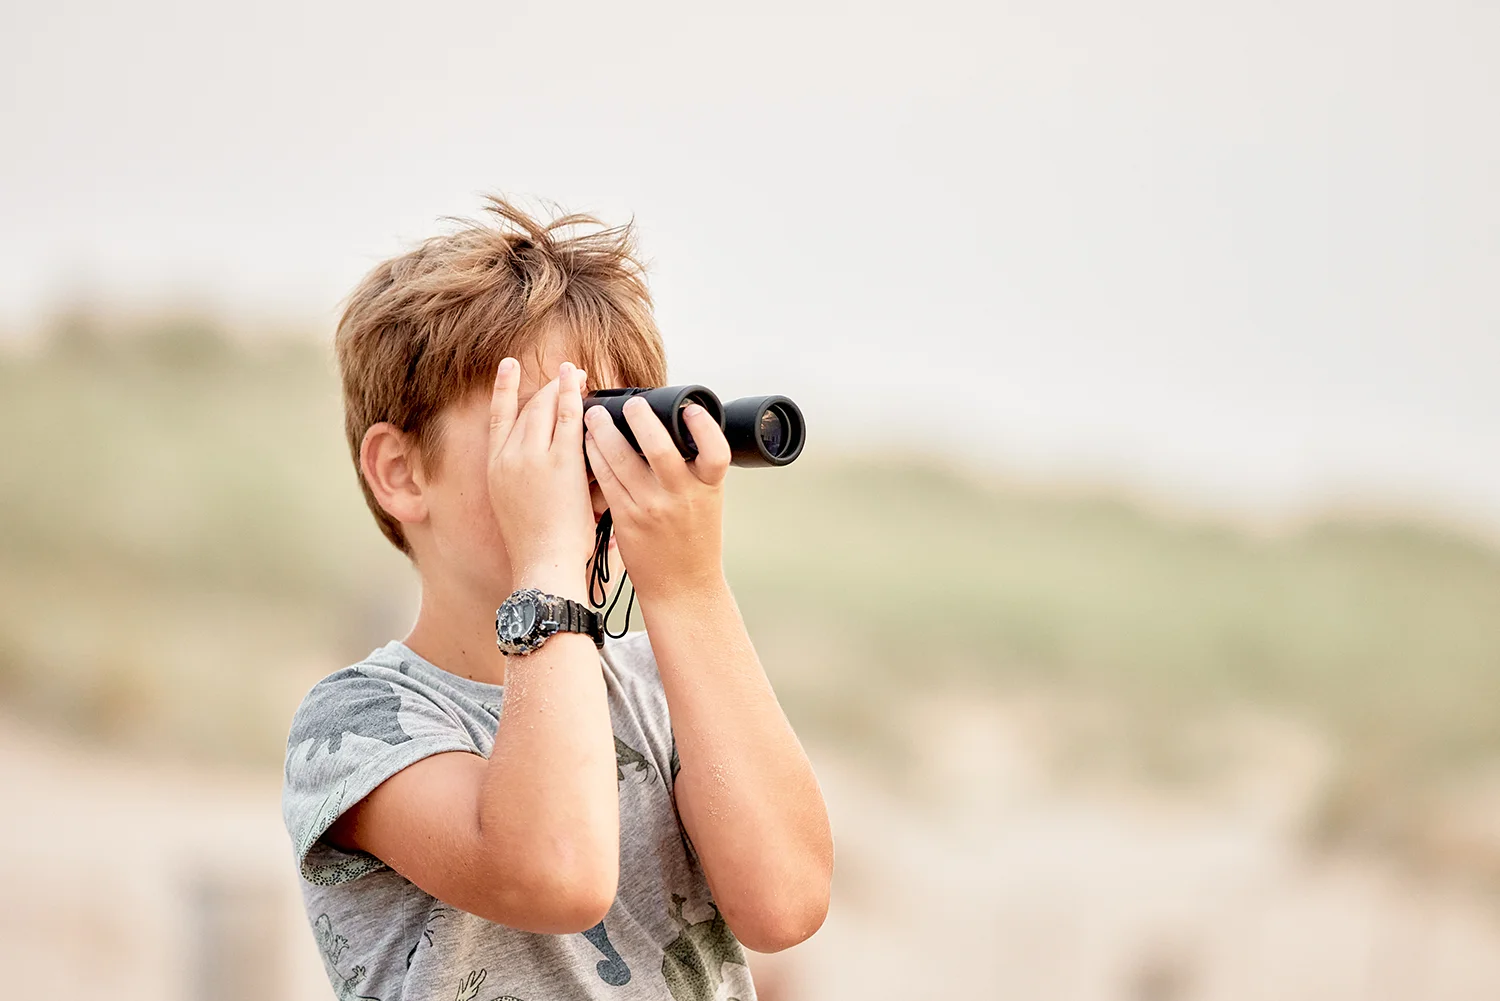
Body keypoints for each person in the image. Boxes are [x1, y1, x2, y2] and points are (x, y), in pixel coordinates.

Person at [280, 196, 833, 1001]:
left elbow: (785, 903)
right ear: (402, 471)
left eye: (608, 425)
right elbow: (557, 873)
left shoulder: (661, 684)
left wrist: (688, 588)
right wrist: (548, 555)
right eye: (546, 429)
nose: (586, 463)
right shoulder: (359, 724)